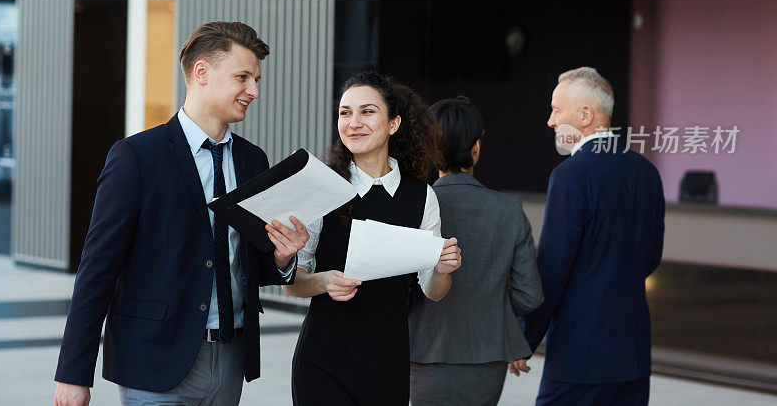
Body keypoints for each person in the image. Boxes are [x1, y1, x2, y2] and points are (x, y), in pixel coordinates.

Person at [54, 21, 310, 406]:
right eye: (243, 77)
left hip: (230, 358)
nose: (254, 91)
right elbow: (97, 269)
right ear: (202, 73)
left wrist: (283, 257)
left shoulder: (253, 160)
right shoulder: (136, 157)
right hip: (155, 359)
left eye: (256, 79)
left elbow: (249, 263)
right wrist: (74, 375)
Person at [281, 70, 463, 405]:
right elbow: (292, 282)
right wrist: (324, 282)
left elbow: (434, 292)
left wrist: (441, 269)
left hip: (388, 365)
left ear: (393, 124)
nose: (353, 122)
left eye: (367, 111)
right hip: (323, 363)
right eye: (345, 113)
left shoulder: (421, 197)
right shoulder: (322, 188)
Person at [519, 67, 665, 405]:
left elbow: (553, 270)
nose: (550, 121)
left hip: (580, 353)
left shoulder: (570, 175)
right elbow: (651, 257)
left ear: (585, 115)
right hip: (633, 351)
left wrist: (523, 339)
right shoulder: (647, 172)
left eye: (556, 109)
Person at [408, 96, 544, 406]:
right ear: (475, 148)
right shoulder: (508, 210)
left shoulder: (412, 207)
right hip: (488, 354)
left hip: (423, 350)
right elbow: (530, 295)